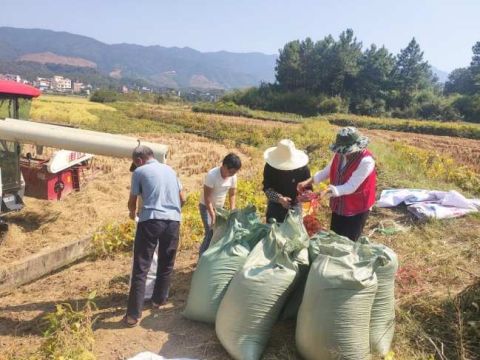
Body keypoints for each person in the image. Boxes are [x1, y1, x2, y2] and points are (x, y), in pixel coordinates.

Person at [124, 145, 186, 327]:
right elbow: (183, 198)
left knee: (141, 267)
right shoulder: (171, 170)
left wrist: (132, 212)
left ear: (138, 160)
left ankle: (133, 316)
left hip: (150, 221)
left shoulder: (139, 171)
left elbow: (132, 199)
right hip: (173, 221)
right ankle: (159, 300)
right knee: (166, 263)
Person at [297, 127, 376, 241]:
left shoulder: (366, 161)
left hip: (357, 205)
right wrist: (307, 182)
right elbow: (327, 171)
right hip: (339, 204)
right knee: (335, 236)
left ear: (358, 146)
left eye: (349, 151)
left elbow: (351, 187)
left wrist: (325, 191)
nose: (345, 154)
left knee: (349, 241)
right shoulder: (340, 154)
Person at [198, 153, 241, 255]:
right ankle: (202, 260)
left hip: (219, 208)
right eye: (231, 172)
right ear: (224, 166)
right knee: (210, 232)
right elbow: (207, 198)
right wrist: (212, 215)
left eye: (234, 172)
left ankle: (210, 256)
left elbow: (232, 194)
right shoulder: (212, 175)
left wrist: (232, 210)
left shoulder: (233, 177)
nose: (232, 174)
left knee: (218, 233)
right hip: (206, 206)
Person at [263, 139, 311, 223]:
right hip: (275, 206)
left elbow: (308, 188)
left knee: (294, 233)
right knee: (273, 232)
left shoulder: (302, 168)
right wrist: (280, 199)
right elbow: (267, 189)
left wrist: (305, 196)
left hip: (295, 205)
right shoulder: (270, 167)